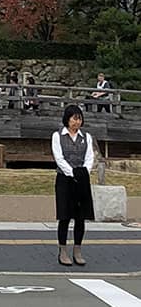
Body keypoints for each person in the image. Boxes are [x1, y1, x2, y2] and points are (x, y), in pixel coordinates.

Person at [51, 104, 95, 267]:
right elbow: (59, 158)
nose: (77, 122)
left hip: (82, 178)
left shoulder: (86, 137)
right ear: (67, 119)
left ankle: (77, 249)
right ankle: (62, 250)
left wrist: (84, 172)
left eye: (79, 119)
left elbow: (89, 157)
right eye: (74, 118)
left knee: (80, 217)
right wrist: (72, 172)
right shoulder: (58, 136)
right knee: (64, 216)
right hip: (64, 179)